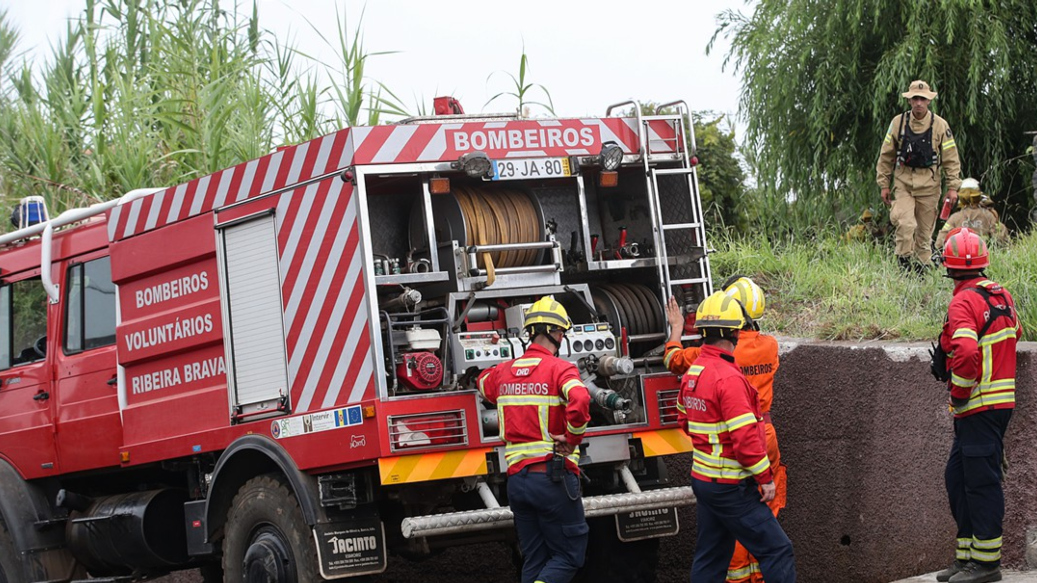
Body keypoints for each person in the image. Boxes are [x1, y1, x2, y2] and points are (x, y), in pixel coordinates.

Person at [665, 277, 786, 583]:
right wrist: (763, 477)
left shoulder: (698, 366)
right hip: (762, 437)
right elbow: (745, 434)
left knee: (719, 545)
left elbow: (672, 360)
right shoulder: (769, 347)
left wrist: (677, 330)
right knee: (765, 524)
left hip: (720, 460)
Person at [476, 296, 591, 583]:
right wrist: (573, 439)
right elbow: (580, 397)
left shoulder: (503, 371)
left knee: (535, 558)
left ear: (529, 332)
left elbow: (482, 383)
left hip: (518, 482)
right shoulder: (560, 369)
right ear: (557, 333)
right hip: (553, 479)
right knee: (568, 556)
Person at [931, 228, 1020, 583]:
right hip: (993, 407)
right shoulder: (1000, 295)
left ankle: (986, 565)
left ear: (950, 267)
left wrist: (959, 393)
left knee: (980, 482)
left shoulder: (963, 301)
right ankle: (967, 557)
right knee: (958, 478)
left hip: (979, 407)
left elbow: (967, 352)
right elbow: (1012, 334)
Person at [876, 79, 962, 273]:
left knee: (924, 236)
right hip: (903, 182)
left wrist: (953, 187)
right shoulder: (898, 123)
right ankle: (903, 266)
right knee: (906, 224)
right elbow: (886, 155)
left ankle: (922, 274)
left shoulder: (940, 125)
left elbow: (951, 158)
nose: (919, 103)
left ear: (929, 100)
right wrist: (883, 184)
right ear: (909, 100)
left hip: (929, 186)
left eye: (922, 99)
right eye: (915, 98)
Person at [935, 178, 1009, 250]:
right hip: (982, 257)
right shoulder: (989, 215)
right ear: (978, 194)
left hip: (960, 257)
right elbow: (1001, 240)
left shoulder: (955, 217)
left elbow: (940, 242)